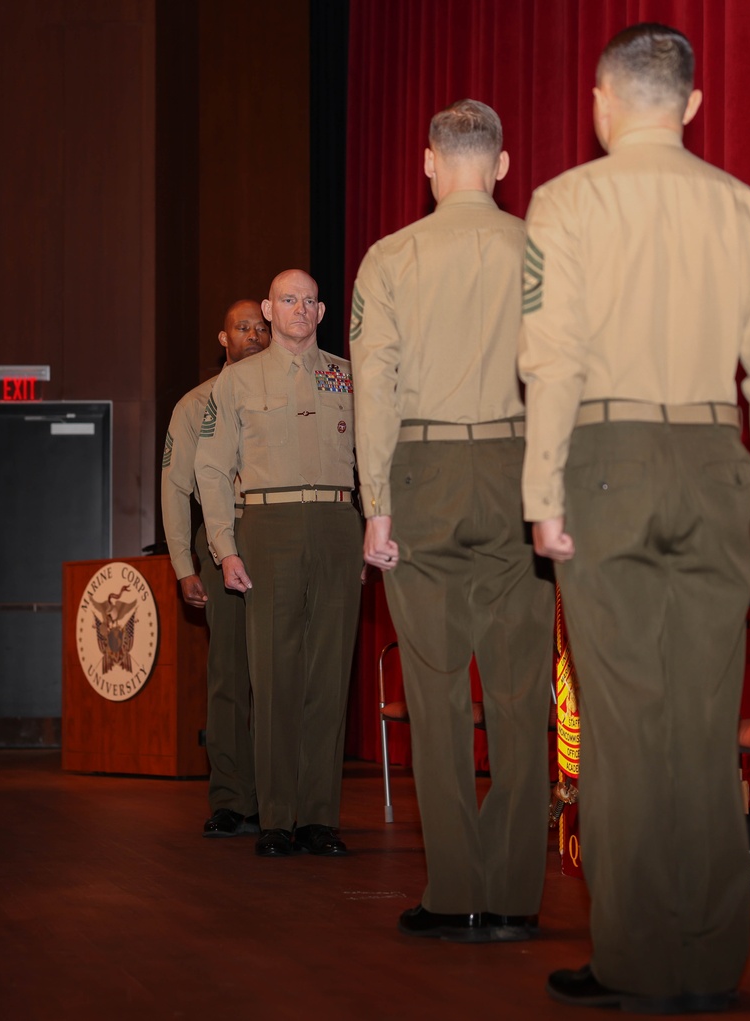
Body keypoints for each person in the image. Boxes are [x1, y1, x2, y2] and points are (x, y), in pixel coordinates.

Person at [520, 23, 750, 1013]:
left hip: (605, 463)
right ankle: (709, 956)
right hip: (713, 461)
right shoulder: (747, 209)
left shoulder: (565, 202)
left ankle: (637, 959)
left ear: (602, 101)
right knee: (700, 722)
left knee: (623, 723)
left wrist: (540, 491)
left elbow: (549, 360)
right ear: (690, 104)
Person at [350, 99, 555, 943]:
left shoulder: (389, 258)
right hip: (517, 469)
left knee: (435, 693)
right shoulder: (541, 250)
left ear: (429, 162)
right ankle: (512, 894)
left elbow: (375, 389)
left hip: (423, 472)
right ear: (502, 166)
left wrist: (376, 504)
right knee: (518, 692)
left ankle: (454, 889)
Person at [194, 269, 363, 858]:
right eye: (288, 299)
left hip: (338, 522)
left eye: (310, 301)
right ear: (269, 309)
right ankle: (276, 818)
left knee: (328, 674)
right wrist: (224, 546)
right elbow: (211, 469)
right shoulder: (236, 381)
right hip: (266, 525)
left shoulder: (348, 375)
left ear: (320, 313)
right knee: (272, 674)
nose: (299, 309)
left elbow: (376, 457)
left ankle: (319, 817)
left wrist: (373, 527)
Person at [160, 299, 270, 837]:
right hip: (221, 538)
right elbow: (177, 488)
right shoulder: (196, 405)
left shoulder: (287, 394)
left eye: (260, 326)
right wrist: (184, 564)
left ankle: (284, 797)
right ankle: (232, 797)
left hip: (279, 535)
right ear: (223, 339)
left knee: (283, 671)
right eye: (241, 327)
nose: (254, 334)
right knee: (230, 672)